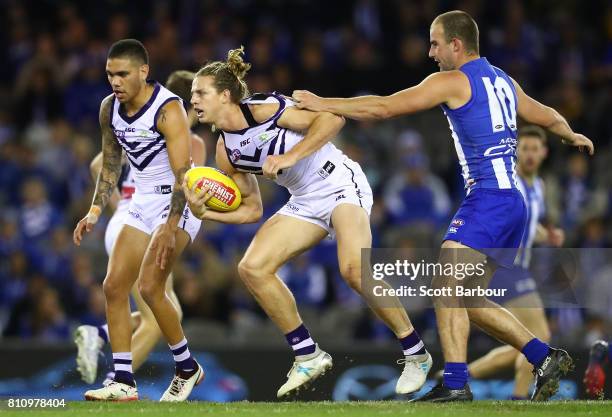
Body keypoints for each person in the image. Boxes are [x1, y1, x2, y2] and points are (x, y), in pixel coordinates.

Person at [292, 10, 594, 402]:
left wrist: (320, 102)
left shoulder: (453, 80)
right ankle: (544, 357)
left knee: (444, 287)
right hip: (511, 202)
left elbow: (383, 108)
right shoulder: (503, 80)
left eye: (435, 43)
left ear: (456, 44)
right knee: (467, 298)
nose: (430, 51)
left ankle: (455, 385)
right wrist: (572, 135)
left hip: (489, 198)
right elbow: (548, 116)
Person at [183, 46, 432, 398]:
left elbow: (332, 119)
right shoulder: (226, 151)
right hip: (304, 201)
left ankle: (415, 353)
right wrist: (203, 213)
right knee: (252, 268)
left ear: (225, 95)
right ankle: (307, 354)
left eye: (200, 92)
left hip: (340, 182)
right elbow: (252, 210)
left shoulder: (264, 109)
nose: (193, 99)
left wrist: (290, 155)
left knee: (353, 269)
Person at [72, 39, 203, 402]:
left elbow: (183, 175)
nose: (115, 81)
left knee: (149, 288)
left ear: (143, 72)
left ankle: (187, 368)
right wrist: (95, 210)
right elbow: (110, 164)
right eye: (110, 74)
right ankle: (123, 382)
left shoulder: (169, 109)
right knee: (113, 287)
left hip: (178, 203)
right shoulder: (108, 108)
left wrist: (169, 226)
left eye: (122, 73)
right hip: (141, 201)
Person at [466, 126, 564, 399]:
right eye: (525, 149)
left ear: (543, 153)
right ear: (516, 152)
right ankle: (520, 399)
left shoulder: (539, 186)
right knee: (540, 335)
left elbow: (531, 225)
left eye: (535, 149)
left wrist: (548, 235)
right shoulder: (510, 184)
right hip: (503, 266)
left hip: (518, 267)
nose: (530, 155)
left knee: (521, 341)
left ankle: (460, 375)